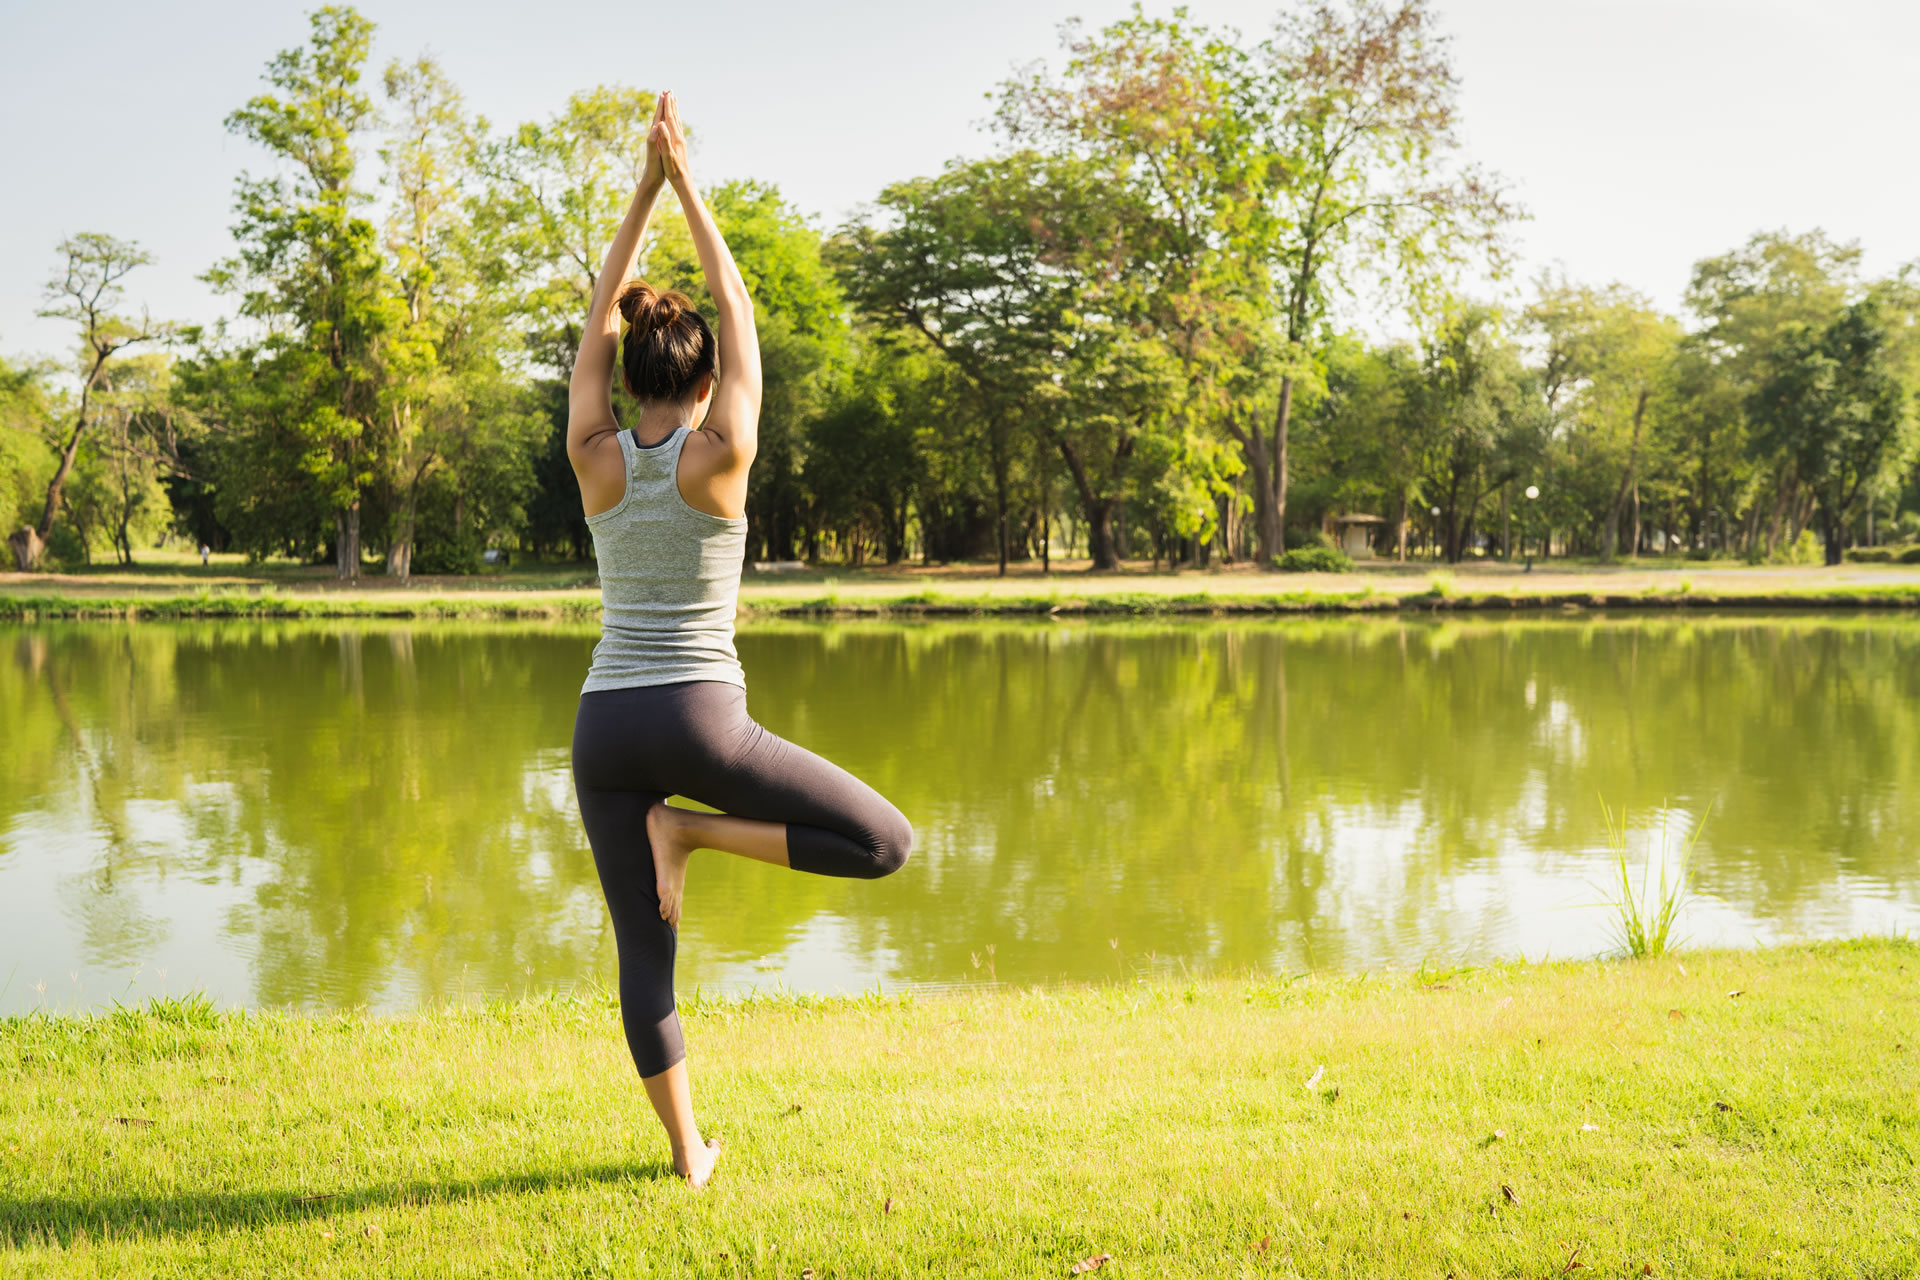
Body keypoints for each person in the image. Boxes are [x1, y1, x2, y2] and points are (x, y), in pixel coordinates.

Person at [566, 92, 913, 1191]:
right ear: (706, 381)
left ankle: (687, 1155)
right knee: (884, 842)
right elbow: (739, 301)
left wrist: (643, 186)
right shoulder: (723, 453)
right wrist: (686, 180)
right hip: (703, 723)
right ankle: (696, 835)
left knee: (643, 951)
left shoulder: (595, 455)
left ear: (626, 382)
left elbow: (594, 315)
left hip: (604, 725)